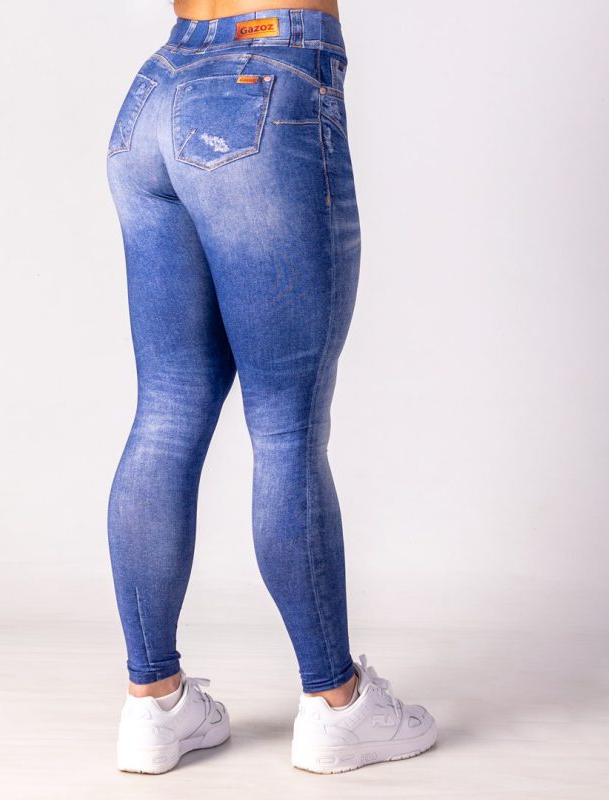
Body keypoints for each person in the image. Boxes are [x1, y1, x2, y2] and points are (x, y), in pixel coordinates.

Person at [105, 1, 437, 774]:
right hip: (263, 78)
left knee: (166, 410)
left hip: (155, 90)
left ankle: (153, 703)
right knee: (287, 427)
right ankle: (339, 707)